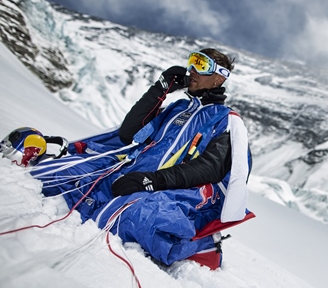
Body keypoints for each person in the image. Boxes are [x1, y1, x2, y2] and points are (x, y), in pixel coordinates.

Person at [31, 48, 254, 269]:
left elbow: (209, 168)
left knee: (133, 214)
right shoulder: (177, 108)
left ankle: (202, 245)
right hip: (133, 174)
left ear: (219, 78)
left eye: (202, 65)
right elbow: (129, 133)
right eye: (192, 62)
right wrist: (160, 89)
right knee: (63, 174)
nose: (192, 70)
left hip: (174, 190)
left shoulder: (225, 121)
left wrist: (150, 181)